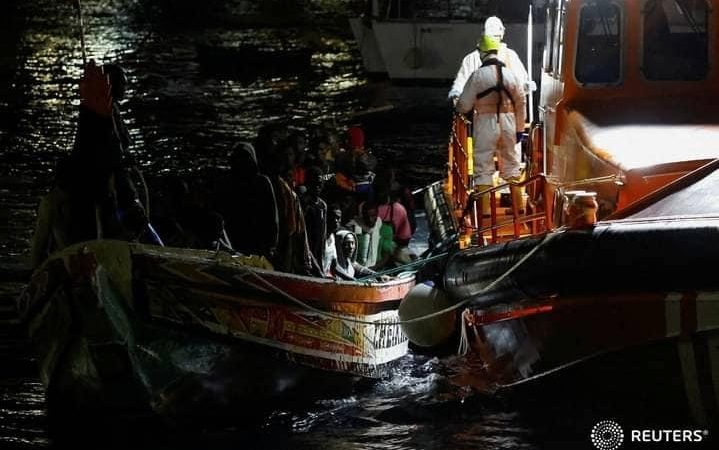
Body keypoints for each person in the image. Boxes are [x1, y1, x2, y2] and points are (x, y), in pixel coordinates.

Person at [65, 60, 162, 245]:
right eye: (122, 83)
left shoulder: (109, 112)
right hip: (106, 181)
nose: (125, 87)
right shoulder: (100, 115)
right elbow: (106, 150)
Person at [455, 35, 526, 215]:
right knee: (511, 164)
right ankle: (519, 207)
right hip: (509, 123)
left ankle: (485, 211)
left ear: (482, 53)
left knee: (483, 166)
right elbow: (521, 103)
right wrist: (518, 129)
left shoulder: (477, 76)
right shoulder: (511, 75)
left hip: (485, 123)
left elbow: (464, 105)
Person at [448, 16, 533, 101]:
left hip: (506, 108)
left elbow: (519, 81)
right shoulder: (472, 59)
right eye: (490, 36)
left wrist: (525, 85)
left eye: (495, 36)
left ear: (501, 35)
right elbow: (462, 82)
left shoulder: (510, 56)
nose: (493, 39)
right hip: (480, 109)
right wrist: (456, 92)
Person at [220, 142, 278, 257]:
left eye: (245, 157)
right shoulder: (227, 182)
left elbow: (271, 214)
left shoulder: (262, 182)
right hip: (234, 239)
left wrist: (271, 244)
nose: (241, 162)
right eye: (238, 157)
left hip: (257, 241)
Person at [345, 200, 382, 268]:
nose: (371, 219)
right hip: (357, 267)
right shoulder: (354, 225)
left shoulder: (378, 222)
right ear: (363, 215)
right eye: (368, 216)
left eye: (374, 216)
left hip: (373, 265)